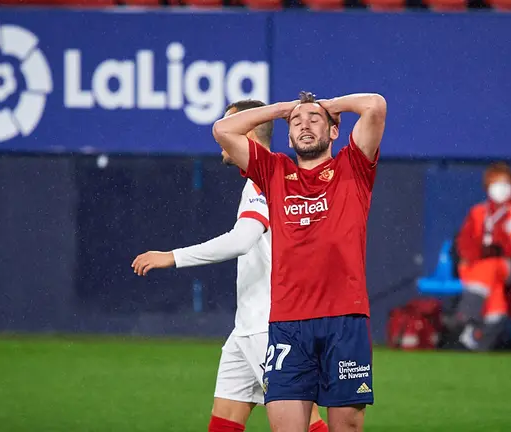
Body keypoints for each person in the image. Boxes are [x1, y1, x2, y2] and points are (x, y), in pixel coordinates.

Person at [131, 100, 327, 432]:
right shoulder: (266, 177)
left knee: (303, 422)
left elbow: (241, 240)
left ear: (246, 131)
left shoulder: (263, 181)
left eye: (227, 126)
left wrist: (173, 257)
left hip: (271, 326)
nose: (219, 136)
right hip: (248, 326)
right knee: (225, 420)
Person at [212, 91, 386, 432]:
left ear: (334, 131)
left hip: (344, 320)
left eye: (314, 121)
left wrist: (328, 106)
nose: (304, 125)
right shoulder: (274, 171)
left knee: (345, 426)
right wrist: (282, 109)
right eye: (297, 122)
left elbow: (375, 105)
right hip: (289, 324)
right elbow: (223, 130)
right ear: (288, 134)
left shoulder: (352, 167)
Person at [451, 162, 511, 351]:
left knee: (489, 267)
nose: (501, 188)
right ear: (487, 186)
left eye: (505, 182)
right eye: (495, 183)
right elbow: (465, 243)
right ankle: (486, 337)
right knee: (489, 280)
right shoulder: (478, 212)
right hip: (483, 272)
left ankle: (466, 316)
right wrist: (482, 253)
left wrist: (502, 249)